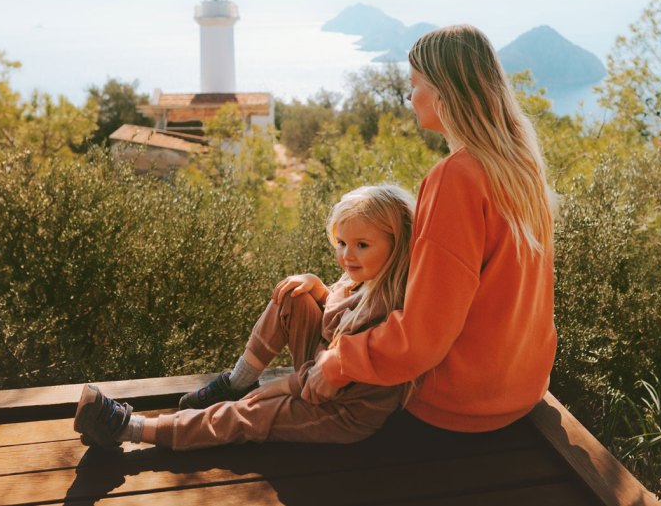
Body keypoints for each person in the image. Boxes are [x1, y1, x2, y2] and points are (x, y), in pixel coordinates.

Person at [301, 24, 557, 434]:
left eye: (414, 83)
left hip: (458, 404)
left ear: (444, 91)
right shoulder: (520, 166)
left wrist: (341, 361)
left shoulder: (457, 177)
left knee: (305, 332)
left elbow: (424, 335)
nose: (409, 95)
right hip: (519, 390)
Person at [74, 184, 417, 450]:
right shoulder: (365, 280)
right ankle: (239, 380)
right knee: (292, 296)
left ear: (397, 244)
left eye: (361, 245)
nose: (346, 255)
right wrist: (318, 289)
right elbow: (335, 325)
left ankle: (126, 428)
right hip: (320, 374)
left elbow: (319, 385)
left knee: (251, 414)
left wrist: (273, 391)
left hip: (340, 411)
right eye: (341, 243)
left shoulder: (383, 310)